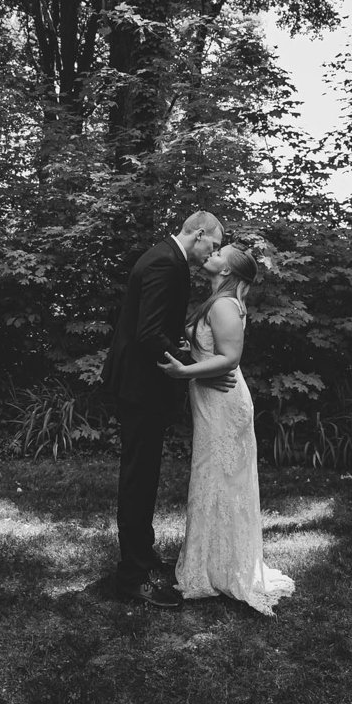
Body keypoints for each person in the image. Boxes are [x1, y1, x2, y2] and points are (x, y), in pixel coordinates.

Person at [102, 210, 228, 608]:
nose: (215, 251)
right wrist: (188, 368)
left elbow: (151, 327)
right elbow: (149, 333)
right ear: (200, 233)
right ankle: (131, 576)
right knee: (139, 478)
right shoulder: (165, 262)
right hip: (141, 386)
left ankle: (143, 554)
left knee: (145, 473)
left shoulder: (165, 257)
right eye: (215, 243)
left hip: (142, 384)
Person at [159, 244, 295, 615]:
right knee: (213, 478)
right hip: (212, 397)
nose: (213, 253)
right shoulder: (219, 301)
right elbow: (213, 351)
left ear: (228, 270)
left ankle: (223, 567)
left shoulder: (222, 304)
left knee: (219, 478)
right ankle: (214, 563)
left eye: (220, 251)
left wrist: (185, 371)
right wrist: (194, 350)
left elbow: (230, 359)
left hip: (224, 403)